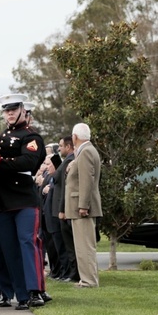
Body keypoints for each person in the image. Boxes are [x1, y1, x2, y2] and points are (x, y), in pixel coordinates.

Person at [0, 93, 46, 310]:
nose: (9, 113)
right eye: (6, 110)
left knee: (26, 243)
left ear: (22, 111)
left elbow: (28, 161)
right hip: (0, 201)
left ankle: (34, 290)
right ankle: (12, 292)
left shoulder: (31, 137)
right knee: (6, 248)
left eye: (13, 109)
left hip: (23, 199)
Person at [66, 123, 102, 288]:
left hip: (81, 206)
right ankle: (87, 279)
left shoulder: (86, 152)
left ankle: (89, 281)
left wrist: (83, 205)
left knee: (85, 246)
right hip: (80, 205)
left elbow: (87, 181)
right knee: (83, 245)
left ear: (74, 137)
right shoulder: (84, 151)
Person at [54, 136, 79, 282]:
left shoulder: (70, 161)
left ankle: (74, 273)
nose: (59, 149)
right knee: (68, 245)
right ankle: (72, 273)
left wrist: (62, 209)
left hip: (68, 207)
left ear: (68, 146)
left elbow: (60, 182)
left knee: (71, 246)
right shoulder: (67, 162)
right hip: (64, 207)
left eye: (61, 146)